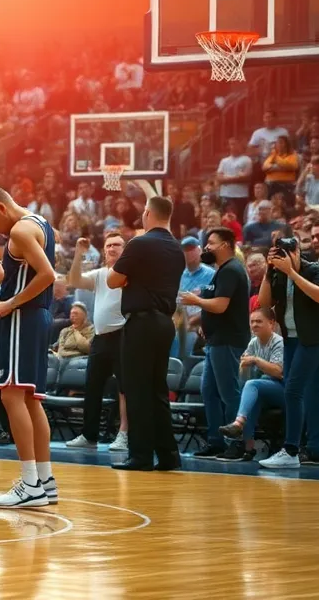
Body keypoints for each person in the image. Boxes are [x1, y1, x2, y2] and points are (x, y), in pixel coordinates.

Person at [0, 186, 57, 507]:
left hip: (24, 318)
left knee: (11, 395)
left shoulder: (21, 230)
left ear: (0, 207)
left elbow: (48, 274)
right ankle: (44, 479)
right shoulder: (41, 223)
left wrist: (10, 303)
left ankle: (30, 484)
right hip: (36, 317)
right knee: (30, 399)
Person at [259, 221, 319, 471]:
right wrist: (272, 270)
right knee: (312, 395)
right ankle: (314, 450)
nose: (314, 241)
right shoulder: (318, 264)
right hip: (314, 337)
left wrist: (294, 271)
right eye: (312, 237)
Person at [107, 196, 184, 471]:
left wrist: (130, 278)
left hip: (140, 323)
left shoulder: (139, 243)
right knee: (157, 391)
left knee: (137, 390)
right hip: (164, 323)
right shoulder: (177, 249)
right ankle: (168, 455)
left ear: (148, 213)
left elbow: (112, 279)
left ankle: (139, 456)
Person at [179, 226, 251, 461]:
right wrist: (203, 320)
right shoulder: (220, 271)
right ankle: (216, 441)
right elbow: (217, 306)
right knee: (209, 391)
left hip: (228, 341)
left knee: (229, 393)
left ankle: (237, 444)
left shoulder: (232, 270)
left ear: (226, 245)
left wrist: (195, 300)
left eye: (211, 242)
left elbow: (220, 305)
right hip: (214, 340)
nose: (207, 247)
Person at [64, 231, 130, 452]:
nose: (112, 248)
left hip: (123, 335)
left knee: (124, 388)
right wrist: (78, 254)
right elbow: (74, 281)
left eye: (117, 245)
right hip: (100, 337)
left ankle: (124, 434)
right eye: (109, 245)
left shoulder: (130, 274)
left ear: (125, 249)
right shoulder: (102, 273)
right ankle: (89, 434)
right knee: (92, 386)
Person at [218, 306, 283, 460]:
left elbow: (278, 372)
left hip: (284, 390)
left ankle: (238, 425)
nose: (254, 325)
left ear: (271, 323)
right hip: (265, 388)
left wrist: (255, 360)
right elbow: (244, 376)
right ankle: (248, 448)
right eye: (252, 322)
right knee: (250, 395)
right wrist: (244, 366)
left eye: (259, 321)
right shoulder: (253, 343)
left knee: (253, 386)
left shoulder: (279, 342)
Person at [175, 237, 215, 362]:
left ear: (200, 251)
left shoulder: (212, 274)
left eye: (192, 249)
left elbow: (214, 302)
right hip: (179, 322)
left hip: (201, 323)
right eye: (186, 250)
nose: (189, 253)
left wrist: (192, 321)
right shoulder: (178, 274)